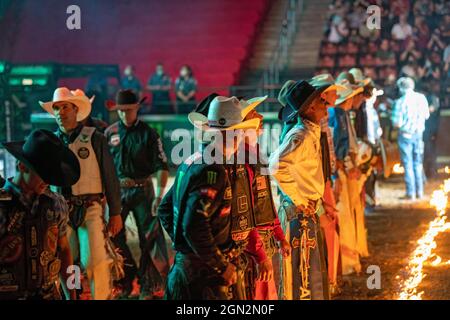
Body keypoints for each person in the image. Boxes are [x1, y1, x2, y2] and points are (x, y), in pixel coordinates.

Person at [158, 95, 266, 300]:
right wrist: (219, 263)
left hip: (187, 271)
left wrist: (184, 246)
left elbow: (165, 209)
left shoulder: (192, 161)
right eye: (241, 131)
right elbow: (194, 225)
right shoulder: (213, 170)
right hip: (203, 278)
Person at [39, 87, 123, 299]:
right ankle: (73, 296)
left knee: (95, 260)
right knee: (70, 262)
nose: (60, 112)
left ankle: (101, 297)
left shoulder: (95, 138)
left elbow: (110, 176)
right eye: (56, 108)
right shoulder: (51, 143)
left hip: (90, 207)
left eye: (65, 107)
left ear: (75, 109)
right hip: (62, 209)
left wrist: (115, 212)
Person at [269, 80, 339, 300]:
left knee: (308, 270)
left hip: (305, 211)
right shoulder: (301, 135)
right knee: (303, 273)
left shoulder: (308, 132)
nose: (325, 103)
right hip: (300, 213)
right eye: (320, 101)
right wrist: (298, 198)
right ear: (309, 107)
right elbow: (276, 165)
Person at [104, 89, 170, 300]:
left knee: (149, 238)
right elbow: (104, 168)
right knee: (113, 236)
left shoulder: (149, 134)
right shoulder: (110, 133)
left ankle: (148, 284)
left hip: (144, 189)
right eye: (121, 111)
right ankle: (125, 279)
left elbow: (161, 165)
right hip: (117, 191)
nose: (124, 114)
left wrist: (159, 195)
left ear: (137, 108)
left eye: (128, 110)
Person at [0, 129, 80, 300]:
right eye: (43, 174)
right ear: (22, 166)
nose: (48, 181)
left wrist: (73, 295)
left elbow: (65, 250)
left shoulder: (56, 203)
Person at [392, 77, 429, 200]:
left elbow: (396, 123)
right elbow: (427, 115)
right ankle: (420, 192)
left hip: (405, 135)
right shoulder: (422, 98)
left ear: (401, 88)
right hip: (418, 135)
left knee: (408, 165)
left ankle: (411, 193)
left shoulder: (400, 102)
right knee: (418, 164)